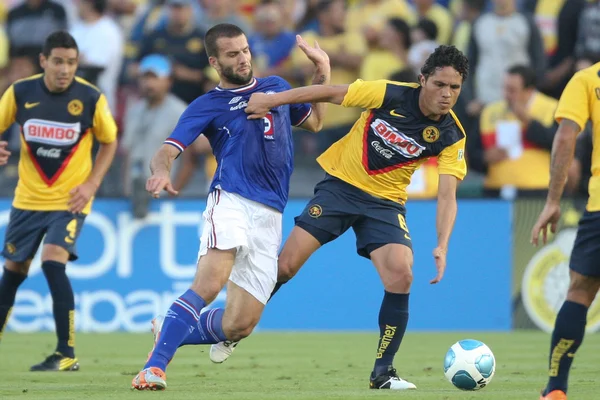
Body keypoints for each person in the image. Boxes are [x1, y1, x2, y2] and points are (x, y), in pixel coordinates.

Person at [213, 44, 470, 390]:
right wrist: (272, 101)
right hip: (341, 188)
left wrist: (442, 244)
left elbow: (447, 193)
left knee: (401, 275)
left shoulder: (452, 134)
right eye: (440, 84)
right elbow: (328, 93)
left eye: (454, 88)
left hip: (385, 203)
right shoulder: (388, 93)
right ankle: (231, 327)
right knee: (285, 266)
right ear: (423, 80)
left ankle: (383, 373)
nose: (446, 94)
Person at [131, 23, 329, 391]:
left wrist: (322, 71)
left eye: (245, 50)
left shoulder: (277, 88)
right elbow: (167, 150)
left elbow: (315, 121)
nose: (242, 58)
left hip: (270, 213)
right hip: (231, 199)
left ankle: (168, 331)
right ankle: (154, 368)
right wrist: (160, 173)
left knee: (240, 325)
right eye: (232, 54)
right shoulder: (206, 105)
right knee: (209, 283)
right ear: (214, 61)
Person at [0, 31, 118, 371]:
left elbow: (109, 142)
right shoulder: (20, 92)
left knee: (53, 262)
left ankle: (66, 353)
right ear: (44, 61)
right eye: (58, 62)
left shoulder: (91, 98)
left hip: (69, 200)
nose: (65, 69)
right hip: (27, 200)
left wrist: (92, 183)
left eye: (71, 63)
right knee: (13, 271)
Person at [531, 63, 600, 400]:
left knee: (580, 292)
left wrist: (553, 201)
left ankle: (556, 388)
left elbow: (566, 135)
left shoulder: (588, 79)